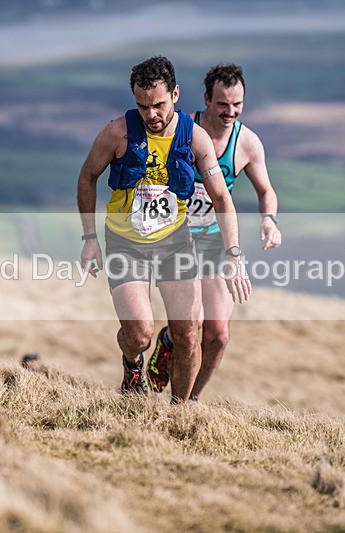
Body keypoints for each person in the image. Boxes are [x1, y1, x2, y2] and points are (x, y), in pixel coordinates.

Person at [77, 56, 251, 403]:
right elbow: (87, 177)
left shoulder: (195, 138)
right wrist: (90, 238)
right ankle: (132, 365)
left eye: (158, 104)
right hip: (126, 243)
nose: (151, 114)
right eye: (143, 106)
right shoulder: (117, 133)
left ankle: (179, 410)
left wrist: (233, 254)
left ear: (175, 93)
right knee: (140, 333)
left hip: (175, 242)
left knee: (188, 333)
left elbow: (221, 198)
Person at [146, 63, 281, 401]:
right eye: (222, 104)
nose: (230, 112)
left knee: (218, 335)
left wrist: (269, 220)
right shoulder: (181, 129)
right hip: (175, 240)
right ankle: (171, 347)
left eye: (237, 105)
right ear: (207, 99)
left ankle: (190, 401)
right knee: (192, 326)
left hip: (215, 242)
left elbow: (266, 190)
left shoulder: (247, 142)